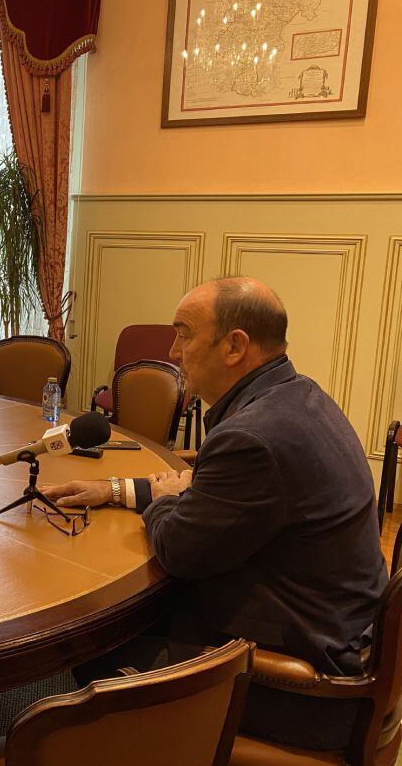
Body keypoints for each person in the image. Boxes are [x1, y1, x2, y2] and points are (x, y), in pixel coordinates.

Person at [44, 276, 387, 751]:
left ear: (235, 346)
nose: (173, 350)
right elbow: (208, 496)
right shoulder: (294, 397)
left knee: (91, 646)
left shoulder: (253, 438)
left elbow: (181, 549)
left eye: (184, 333)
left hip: (301, 684)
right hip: (339, 634)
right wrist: (117, 489)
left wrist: (164, 502)